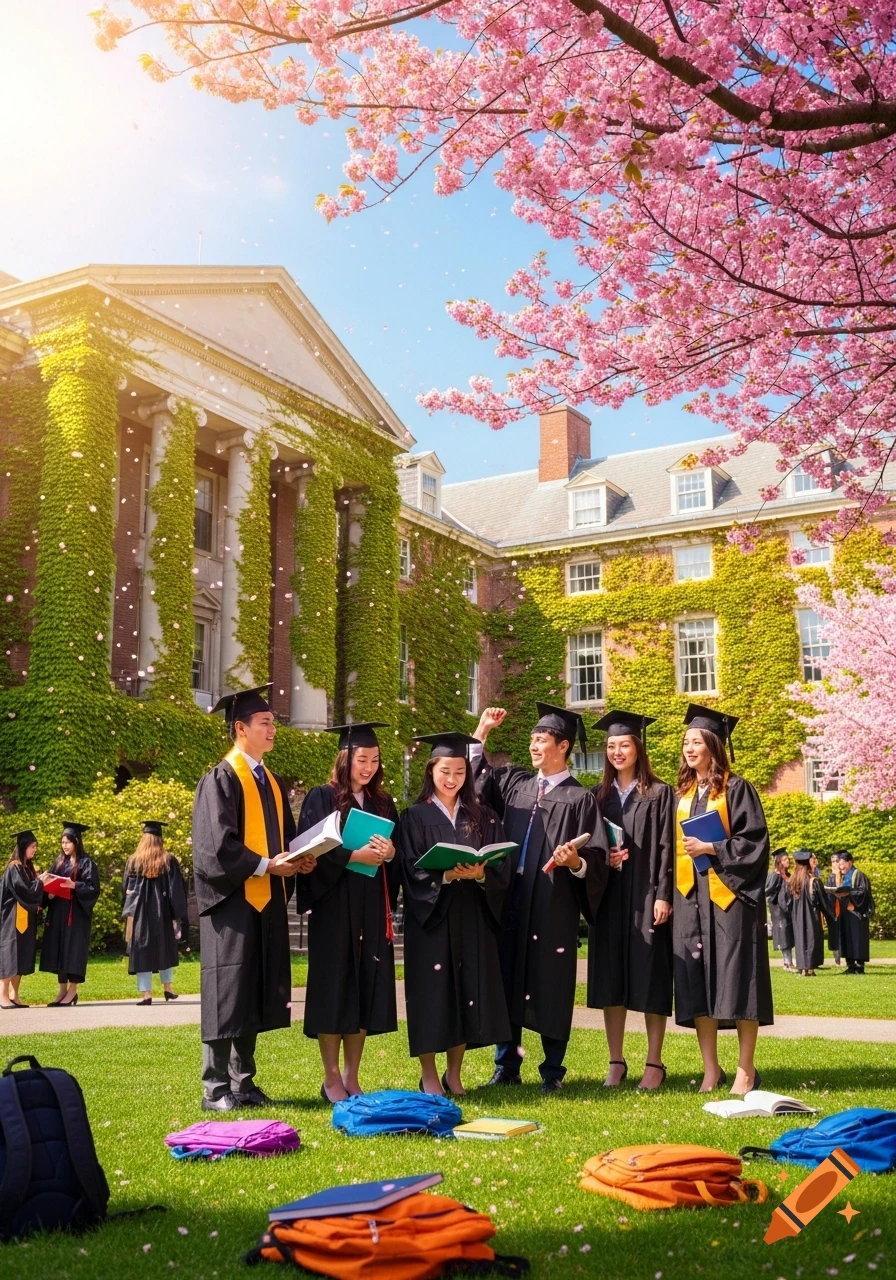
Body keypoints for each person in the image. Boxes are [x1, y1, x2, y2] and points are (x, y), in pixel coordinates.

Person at [472, 704, 608, 1093]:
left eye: (541, 740)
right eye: (532, 739)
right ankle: (507, 1065)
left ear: (562, 746)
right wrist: (482, 731)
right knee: (508, 975)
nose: (534, 745)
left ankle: (552, 1069)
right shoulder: (516, 785)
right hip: (510, 896)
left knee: (551, 979)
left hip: (554, 901)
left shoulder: (580, 799)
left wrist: (577, 861)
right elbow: (474, 782)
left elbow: (596, 857)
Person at [192, 683, 313, 1111]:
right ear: (240, 728)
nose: (273, 729)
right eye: (265, 723)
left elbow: (285, 839)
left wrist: (300, 859)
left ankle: (243, 1084)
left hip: (266, 903)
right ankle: (215, 1088)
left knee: (253, 988)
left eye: (274, 723)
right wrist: (266, 865)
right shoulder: (222, 779)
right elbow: (215, 849)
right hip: (233, 905)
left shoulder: (273, 783)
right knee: (228, 991)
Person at [397, 732, 511, 1096]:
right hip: (431, 919)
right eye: (445, 770)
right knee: (433, 994)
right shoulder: (414, 817)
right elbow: (409, 869)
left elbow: (502, 865)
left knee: (466, 993)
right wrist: (445, 874)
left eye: (460, 772)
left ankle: (454, 1073)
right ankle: (429, 1074)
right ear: (431, 770)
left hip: (473, 916)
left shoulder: (483, 816)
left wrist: (482, 874)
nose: (452, 779)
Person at [294, 722, 400, 1104]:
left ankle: (354, 1076)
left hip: (371, 905)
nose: (368, 767)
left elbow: (397, 852)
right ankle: (331, 1076)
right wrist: (353, 855)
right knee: (334, 989)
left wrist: (389, 854)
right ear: (345, 758)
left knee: (364, 988)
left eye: (374, 760)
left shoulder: (383, 803)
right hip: (334, 908)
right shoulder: (321, 798)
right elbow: (308, 849)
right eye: (361, 759)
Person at [673, 705, 773, 1095]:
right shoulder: (683, 794)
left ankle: (746, 1069)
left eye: (697, 741)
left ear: (714, 745)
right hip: (689, 899)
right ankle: (711, 1069)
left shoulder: (736, 788)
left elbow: (755, 843)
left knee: (739, 981)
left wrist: (713, 847)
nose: (689, 748)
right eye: (686, 743)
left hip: (730, 899)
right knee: (697, 982)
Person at [586, 711, 674, 1091]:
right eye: (611, 746)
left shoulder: (658, 793)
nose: (617, 751)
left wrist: (663, 895)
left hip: (645, 894)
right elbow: (589, 846)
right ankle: (616, 1061)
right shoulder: (597, 796)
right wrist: (604, 857)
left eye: (624, 744)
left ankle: (654, 1062)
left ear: (638, 747)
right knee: (611, 979)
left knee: (651, 975)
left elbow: (668, 847)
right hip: (609, 896)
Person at [123, 820, 189, 1006]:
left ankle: (146, 995)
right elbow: (176, 890)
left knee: (142, 951)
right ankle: (168, 989)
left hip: (139, 914)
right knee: (164, 948)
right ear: (159, 839)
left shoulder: (133, 861)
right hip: (162, 913)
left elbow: (126, 889)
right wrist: (177, 914)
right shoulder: (168, 860)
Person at [39, 822, 100, 1006]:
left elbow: (93, 888)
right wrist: (47, 891)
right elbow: (49, 885)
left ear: (77, 841)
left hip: (76, 915)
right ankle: (62, 991)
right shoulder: (59, 862)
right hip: (58, 913)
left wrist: (75, 885)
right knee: (60, 950)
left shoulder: (86, 863)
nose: (64, 845)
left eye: (68, 842)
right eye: (62, 842)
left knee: (73, 951)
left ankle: (72, 991)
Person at [0, 831, 47, 1009]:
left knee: (21, 954)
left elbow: (32, 892)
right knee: (9, 954)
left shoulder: (27, 867)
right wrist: (40, 881)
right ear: (23, 847)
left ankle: (14, 995)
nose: (34, 850)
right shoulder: (14, 867)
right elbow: (24, 890)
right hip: (11, 918)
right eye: (32, 847)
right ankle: (2, 995)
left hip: (25, 917)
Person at [788, 850, 834, 977]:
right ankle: (811, 968)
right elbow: (823, 903)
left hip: (797, 918)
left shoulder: (793, 881)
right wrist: (831, 916)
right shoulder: (813, 881)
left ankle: (803, 968)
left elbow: (788, 903)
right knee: (812, 939)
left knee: (801, 940)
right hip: (812, 917)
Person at [835, 851, 875, 975]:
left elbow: (863, 893)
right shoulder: (844, 876)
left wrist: (848, 893)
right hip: (846, 913)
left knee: (857, 939)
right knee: (848, 938)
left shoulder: (858, 875)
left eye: (843, 864)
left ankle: (859, 966)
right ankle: (850, 965)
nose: (841, 867)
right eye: (839, 864)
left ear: (850, 862)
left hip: (857, 914)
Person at [765, 850, 795, 972]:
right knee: (784, 936)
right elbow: (768, 892)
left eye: (787, 859)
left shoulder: (788, 875)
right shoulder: (774, 876)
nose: (787, 861)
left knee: (789, 935)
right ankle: (787, 962)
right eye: (784, 859)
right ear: (778, 862)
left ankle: (790, 962)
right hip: (779, 911)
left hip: (789, 910)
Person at [825, 852, 846, 966]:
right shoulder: (831, 877)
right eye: (832, 862)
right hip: (834, 909)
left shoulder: (845, 875)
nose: (834, 864)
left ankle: (847, 958)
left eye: (836, 861)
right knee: (835, 935)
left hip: (845, 909)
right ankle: (837, 960)